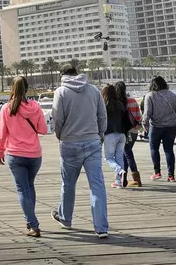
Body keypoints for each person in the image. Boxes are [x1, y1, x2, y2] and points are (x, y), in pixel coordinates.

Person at [51, 64, 109, 239]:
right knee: (97, 185)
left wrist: (60, 134)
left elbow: (57, 118)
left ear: (63, 75)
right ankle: (101, 227)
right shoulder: (93, 90)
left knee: (68, 184)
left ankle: (65, 218)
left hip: (69, 143)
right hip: (92, 141)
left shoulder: (60, 92)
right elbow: (102, 115)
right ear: (77, 73)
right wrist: (100, 133)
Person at [0, 76, 48, 237]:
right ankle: (29, 219)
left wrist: (0, 151)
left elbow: (1, 133)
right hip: (34, 155)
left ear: (12, 89)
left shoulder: (7, 108)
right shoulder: (35, 107)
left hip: (15, 154)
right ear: (26, 89)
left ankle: (33, 225)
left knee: (22, 189)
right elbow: (43, 130)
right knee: (29, 187)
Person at [143, 76, 176, 181]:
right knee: (169, 150)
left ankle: (157, 172)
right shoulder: (172, 94)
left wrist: (144, 124)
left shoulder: (150, 95)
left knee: (154, 148)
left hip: (156, 126)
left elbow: (147, 113)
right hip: (172, 125)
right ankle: (171, 175)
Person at [115, 81, 143, 187]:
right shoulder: (132, 101)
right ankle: (125, 178)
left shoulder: (117, 103)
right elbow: (138, 116)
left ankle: (132, 179)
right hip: (134, 131)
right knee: (126, 154)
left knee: (127, 154)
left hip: (123, 132)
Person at [101, 84, 127, 189]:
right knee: (119, 157)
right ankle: (119, 182)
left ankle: (120, 172)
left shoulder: (104, 105)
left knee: (108, 158)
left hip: (110, 134)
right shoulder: (120, 104)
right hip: (122, 134)